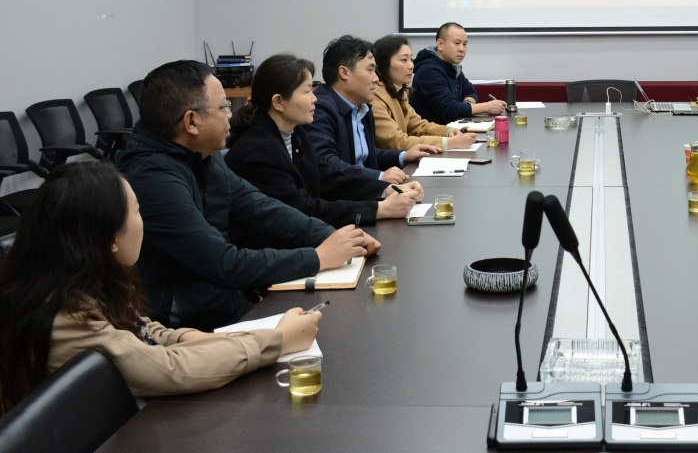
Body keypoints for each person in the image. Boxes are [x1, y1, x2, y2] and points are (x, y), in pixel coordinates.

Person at [0, 162, 323, 412]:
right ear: (110, 238)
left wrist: (190, 337)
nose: (143, 221)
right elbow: (165, 369)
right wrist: (276, 341)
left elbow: (141, 329)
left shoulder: (80, 278)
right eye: (137, 211)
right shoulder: (59, 315)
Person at [117, 60, 380, 330]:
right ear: (191, 121)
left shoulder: (203, 157)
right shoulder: (153, 180)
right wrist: (318, 257)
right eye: (224, 107)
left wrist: (334, 237)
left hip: (227, 306)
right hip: (190, 331)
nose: (231, 114)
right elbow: (223, 262)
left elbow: (262, 208)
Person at [226, 54, 425, 238]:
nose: (314, 98)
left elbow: (327, 177)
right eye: (306, 91)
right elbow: (302, 209)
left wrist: (386, 189)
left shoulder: (295, 132)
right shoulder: (258, 151)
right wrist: (378, 210)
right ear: (278, 102)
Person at [305, 35, 439, 185]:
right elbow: (327, 163)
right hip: (346, 199)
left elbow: (364, 154)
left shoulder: (362, 107)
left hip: (364, 192)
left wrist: (403, 156)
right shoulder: (320, 109)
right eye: (370, 70)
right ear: (344, 73)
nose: (376, 78)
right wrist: (378, 177)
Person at [370, 34, 478, 151]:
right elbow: (396, 141)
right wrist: (448, 143)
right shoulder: (374, 96)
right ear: (383, 64)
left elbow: (418, 126)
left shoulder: (399, 90)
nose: (411, 66)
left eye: (411, 59)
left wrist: (448, 131)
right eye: (403, 60)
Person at [410, 22, 507, 124]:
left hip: (450, 131)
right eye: (457, 43)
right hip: (430, 136)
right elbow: (449, 109)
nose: (462, 49)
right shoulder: (428, 71)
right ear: (440, 44)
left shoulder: (452, 67)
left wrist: (468, 103)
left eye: (464, 44)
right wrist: (487, 107)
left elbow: (470, 91)